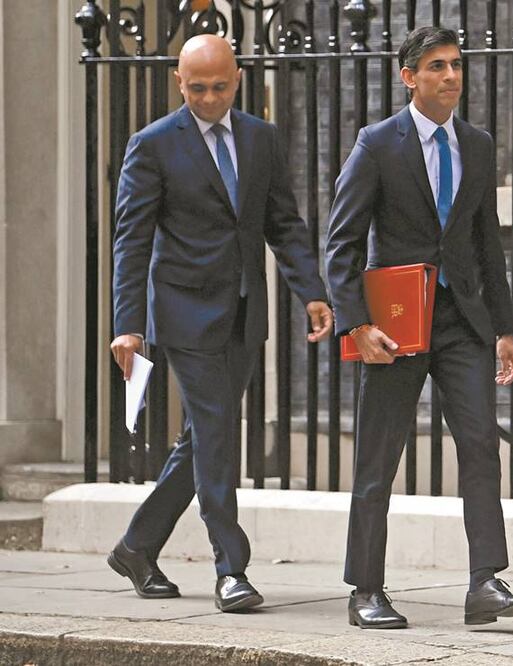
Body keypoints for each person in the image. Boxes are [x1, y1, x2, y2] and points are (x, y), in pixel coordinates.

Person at [108, 34, 333, 613]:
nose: (209, 99)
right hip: (184, 314)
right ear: (179, 83)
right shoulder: (152, 145)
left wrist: (311, 292)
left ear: (237, 79)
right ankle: (231, 569)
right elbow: (131, 241)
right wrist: (128, 324)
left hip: (243, 312)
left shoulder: (261, 137)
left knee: (204, 437)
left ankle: (136, 547)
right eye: (197, 88)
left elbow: (284, 223)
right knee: (217, 435)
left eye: (220, 87)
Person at [325, 26, 513, 630]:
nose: (451, 76)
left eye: (456, 65)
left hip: (462, 323)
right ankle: (365, 590)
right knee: (378, 458)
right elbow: (341, 244)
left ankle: (484, 584)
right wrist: (357, 325)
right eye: (437, 66)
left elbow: (487, 243)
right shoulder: (377, 144)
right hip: (396, 326)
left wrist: (504, 329)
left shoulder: (476, 144)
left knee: (480, 445)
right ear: (409, 78)